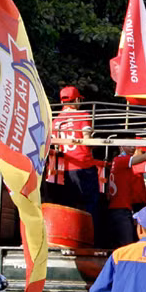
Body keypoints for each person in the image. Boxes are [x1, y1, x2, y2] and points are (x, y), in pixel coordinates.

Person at [51, 86, 100, 232]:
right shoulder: (83, 115)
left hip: (65, 170)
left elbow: (57, 148)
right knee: (91, 205)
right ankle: (92, 238)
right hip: (84, 166)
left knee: (70, 207)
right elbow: (86, 140)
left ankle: (72, 236)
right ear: (77, 100)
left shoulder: (55, 122)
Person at [106, 126, 146, 248]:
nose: (132, 148)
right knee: (127, 246)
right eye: (129, 144)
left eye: (133, 144)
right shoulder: (122, 160)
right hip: (121, 210)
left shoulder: (117, 161)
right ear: (120, 146)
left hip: (120, 209)